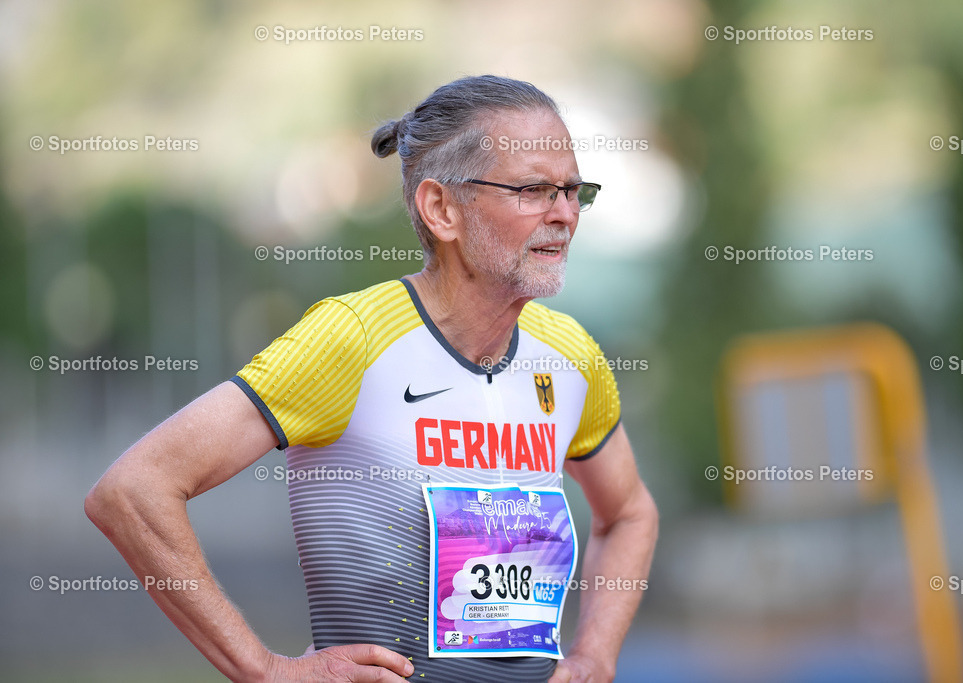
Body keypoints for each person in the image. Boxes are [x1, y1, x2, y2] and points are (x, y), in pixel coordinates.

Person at [86, 74, 658, 683]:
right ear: (441, 209)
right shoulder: (352, 337)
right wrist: (263, 669)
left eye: (572, 190)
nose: (564, 214)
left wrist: (596, 656)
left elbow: (629, 513)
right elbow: (133, 490)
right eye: (534, 190)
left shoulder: (569, 354)